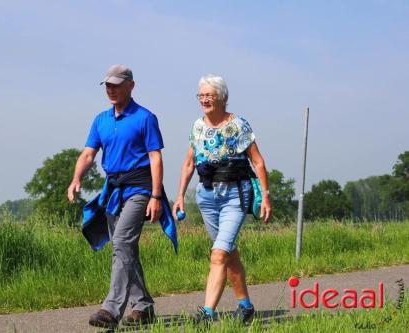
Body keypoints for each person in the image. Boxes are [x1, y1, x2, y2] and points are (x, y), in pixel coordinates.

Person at [68, 64, 177, 329]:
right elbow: (88, 154)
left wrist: (155, 196)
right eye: (108, 85)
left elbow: (155, 157)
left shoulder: (145, 117)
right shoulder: (101, 120)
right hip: (114, 190)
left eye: (117, 84)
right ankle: (143, 307)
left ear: (131, 85)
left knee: (121, 242)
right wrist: (76, 178)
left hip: (140, 188)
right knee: (125, 247)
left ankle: (111, 309)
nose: (111, 89)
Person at [172, 74, 272, 325]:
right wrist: (180, 196)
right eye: (201, 95)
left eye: (209, 95)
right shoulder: (197, 126)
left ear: (223, 98)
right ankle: (246, 307)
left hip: (235, 195)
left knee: (218, 254)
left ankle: (206, 313)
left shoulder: (238, 125)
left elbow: (257, 161)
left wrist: (266, 197)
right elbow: (188, 163)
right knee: (228, 253)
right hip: (207, 197)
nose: (204, 99)